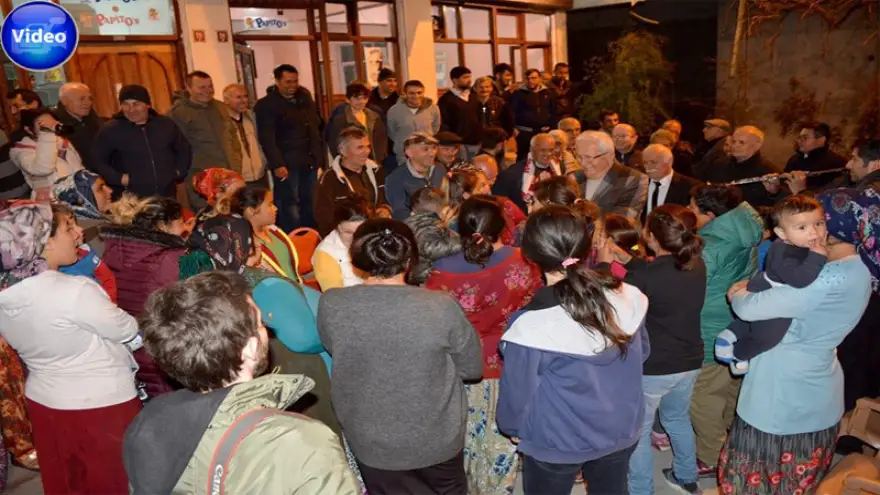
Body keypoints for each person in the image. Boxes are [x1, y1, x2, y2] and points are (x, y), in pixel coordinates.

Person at [124, 271, 360, 494]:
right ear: (249, 348)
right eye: (260, 323)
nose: (267, 330)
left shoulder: (147, 423)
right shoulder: (302, 440)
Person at [718, 188, 875, 494]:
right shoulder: (858, 268)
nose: (811, 232)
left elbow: (746, 307)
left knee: (757, 481)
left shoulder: (825, 280)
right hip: (818, 390)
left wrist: (741, 292)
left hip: (782, 398)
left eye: (817, 224)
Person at [317, 218, 482, 493]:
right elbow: (472, 368)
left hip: (370, 440)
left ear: (356, 260)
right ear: (410, 260)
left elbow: (337, 349)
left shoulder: (332, 303)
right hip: (436, 439)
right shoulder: (439, 306)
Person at [497, 205, 649, 495]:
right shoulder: (628, 295)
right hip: (621, 425)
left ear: (529, 255)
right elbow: (641, 354)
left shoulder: (530, 326)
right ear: (586, 244)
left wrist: (513, 428)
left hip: (558, 438)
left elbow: (518, 391)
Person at [0, 203, 141, 494]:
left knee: (66, 482)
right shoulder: (73, 291)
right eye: (68, 228)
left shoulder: (6, 294)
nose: (79, 233)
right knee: (112, 482)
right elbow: (127, 328)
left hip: (44, 402)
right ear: (44, 241)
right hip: (100, 402)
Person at [425, 196, 542, 494]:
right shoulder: (525, 262)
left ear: (459, 228)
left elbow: (434, 321)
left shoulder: (439, 273)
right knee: (501, 436)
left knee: (462, 435)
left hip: (460, 365)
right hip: (509, 361)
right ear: (502, 227)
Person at [605, 204, 706, 495]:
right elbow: (657, 272)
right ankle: (686, 477)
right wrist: (631, 260)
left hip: (654, 366)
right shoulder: (695, 264)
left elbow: (621, 303)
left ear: (650, 236)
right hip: (690, 360)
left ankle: (640, 489)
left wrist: (607, 264)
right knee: (677, 418)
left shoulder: (646, 277)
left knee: (640, 430)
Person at [687, 184, 763, 477]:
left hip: (709, 324)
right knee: (732, 384)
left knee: (703, 394)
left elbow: (692, 286)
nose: (691, 212)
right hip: (738, 319)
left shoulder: (712, 244)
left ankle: (711, 457)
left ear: (710, 214)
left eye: (695, 208)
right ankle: (733, 443)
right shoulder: (746, 227)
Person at [715, 195, 827, 374]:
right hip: (771, 289)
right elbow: (800, 280)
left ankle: (730, 334)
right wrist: (818, 256)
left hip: (764, 283)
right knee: (769, 336)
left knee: (755, 321)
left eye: (819, 224)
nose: (814, 232)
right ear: (781, 233)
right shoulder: (786, 253)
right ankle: (739, 354)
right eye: (802, 227)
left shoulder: (793, 244)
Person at [254, 64, 326, 231]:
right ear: (277, 81)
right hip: (286, 163)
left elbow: (316, 127)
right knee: (289, 203)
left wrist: (319, 158)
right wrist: (277, 164)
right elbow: (267, 138)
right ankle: (291, 236)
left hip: (309, 160)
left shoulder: (304, 98)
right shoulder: (266, 105)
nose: (292, 86)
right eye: (288, 82)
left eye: (295, 81)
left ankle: (310, 234)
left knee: (310, 200)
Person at [92, 85, 192, 198]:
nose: (131, 109)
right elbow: (98, 160)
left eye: (136, 104)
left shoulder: (165, 124)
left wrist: (179, 171)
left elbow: (184, 148)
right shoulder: (110, 130)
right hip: (131, 198)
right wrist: (119, 178)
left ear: (147, 105)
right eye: (125, 104)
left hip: (167, 193)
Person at [170, 71, 242, 210]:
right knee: (206, 216)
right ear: (188, 88)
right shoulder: (178, 113)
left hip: (229, 177)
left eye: (210, 86)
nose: (207, 91)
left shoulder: (221, 108)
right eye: (202, 87)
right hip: (201, 181)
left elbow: (233, 137)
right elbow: (176, 148)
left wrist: (237, 163)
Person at [314, 127, 388, 236]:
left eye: (368, 146)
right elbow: (324, 220)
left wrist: (385, 209)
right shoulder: (329, 180)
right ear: (342, 150)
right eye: (360, 147)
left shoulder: (376, 171)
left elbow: (385, 200)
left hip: (376, 232)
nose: (366, 152)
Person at [230, 185, 302, 282]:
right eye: (270, 204)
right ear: (251, 211)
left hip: (297, 287)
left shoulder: (274, 232)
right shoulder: (247, 247)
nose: (275, 208)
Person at [10, 108, 83, 201]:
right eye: (42, 124)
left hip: (78, 197)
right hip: (53, 204)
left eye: (52, 122)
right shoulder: (23, 151)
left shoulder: (62, 143)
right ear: (28, 129)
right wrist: (47, 134)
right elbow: (44, 168)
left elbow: (79, 169)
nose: (50, 125)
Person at [702, 126, 780, 208]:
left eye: (741, 142)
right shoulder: (718, 165)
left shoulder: (769, 172)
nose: (735, 146)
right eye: (733, 141)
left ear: (757, 146)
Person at [575, 130, 648, 219]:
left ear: (609, 155)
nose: (583, 163)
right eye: (579, 157)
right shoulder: (576, 177)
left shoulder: (633, 179)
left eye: (589, 157)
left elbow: (623, 220)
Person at [494, 133, 562, 213]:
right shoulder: (512, 175)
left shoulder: (559, 170)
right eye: (543, 150)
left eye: (551, 150)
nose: (548, 154)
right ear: (532, 150)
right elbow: (499, 203)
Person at [313, 199, 370, 291]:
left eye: (360, 231)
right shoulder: (325, 254)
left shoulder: (373, 239)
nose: (355, 237)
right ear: (338, 227)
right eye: (348, 232)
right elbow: (333, 296)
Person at [326, 82, 388, 167]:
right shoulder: (340, 119)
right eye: (356, 98)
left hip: (374, 161)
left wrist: (379, 158)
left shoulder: (374, 116)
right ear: (348, 99)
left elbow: (382, 139)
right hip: (351, 162)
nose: (361, 101)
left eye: (364, 98)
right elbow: (334, 144)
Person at [386, 132, 446, 219]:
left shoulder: (439, 169)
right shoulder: (395, 178)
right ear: (409, 153)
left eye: (434, 148)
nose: (432, 153)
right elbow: (399, 212)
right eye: (425, 149)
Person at [53, 170, 114, 253]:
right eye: (100, 188)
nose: (110, 190)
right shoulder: (89, 235)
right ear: (81, 199)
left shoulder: (101, 221)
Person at [386, 80, 441, 169]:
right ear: (405, 94)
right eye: (411, 93)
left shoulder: (433, 108)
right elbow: (392, 133)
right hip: (404, 157)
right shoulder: (393, 111)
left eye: (419, 93)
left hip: (427, 154)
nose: (416, 96)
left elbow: (435, 128)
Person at [223, 83, 268, 188]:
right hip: (237, 179)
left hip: (260, 176)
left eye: (246, 96)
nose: (244, 100)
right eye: (238, 97)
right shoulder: (221, 122)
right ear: (226, 100)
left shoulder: (252, 117)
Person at [641, 143, 702, 221]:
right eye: (645, 163)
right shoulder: (640, 183)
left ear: (669, 162)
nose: (648, 167)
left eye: (653, 162)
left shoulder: (691, 186)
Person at [52, 83, 103, 171]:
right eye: (81, 99)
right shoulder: (55, 124)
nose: (88, 103)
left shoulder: (92, 118)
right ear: (65, 101)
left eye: (90, 98)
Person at [509, 69, 555, 161]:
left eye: (533, 78)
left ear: (539, 78)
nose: (530, 81)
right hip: (524, 132)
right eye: (528, 78)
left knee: (543, 157)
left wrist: (551, 126)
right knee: (524, 158)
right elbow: (511, 112)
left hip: (543, 131)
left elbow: (553, 110)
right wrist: (513, 128)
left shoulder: (548, 93)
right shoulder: (517, 94)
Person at [0, 90, 38, 200]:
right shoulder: (16, 135)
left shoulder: (51, 125)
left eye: (16, 106)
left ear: (34, 104)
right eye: (10, 107)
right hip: (16, 195)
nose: (12, 112)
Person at [438, 67, 481, 159]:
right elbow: (444, 123)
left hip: (476, 142)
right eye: (465, 77)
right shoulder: (446, 100)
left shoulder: (474, 97)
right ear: (455, 80)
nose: (469, 80)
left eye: (470, 77)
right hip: (459, 144)